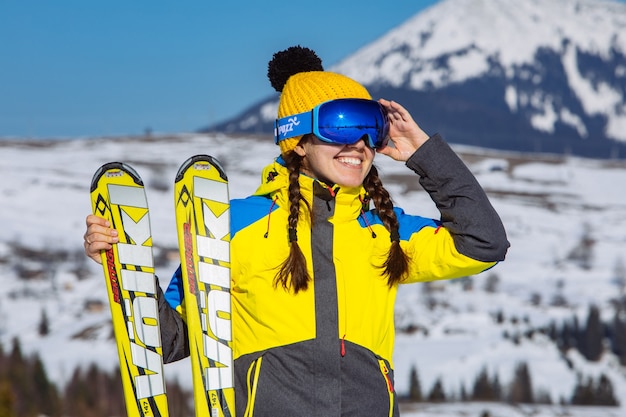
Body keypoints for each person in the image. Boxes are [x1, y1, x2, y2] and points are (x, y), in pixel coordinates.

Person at [84, 45, 509, 417]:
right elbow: (170, 339)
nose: (358, 143)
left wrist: (424, 153)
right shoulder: (228, 226)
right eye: (340, 124)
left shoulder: (385, 231)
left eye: (370, 129)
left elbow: (484, 243)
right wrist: (126, 266)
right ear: (297, 140)